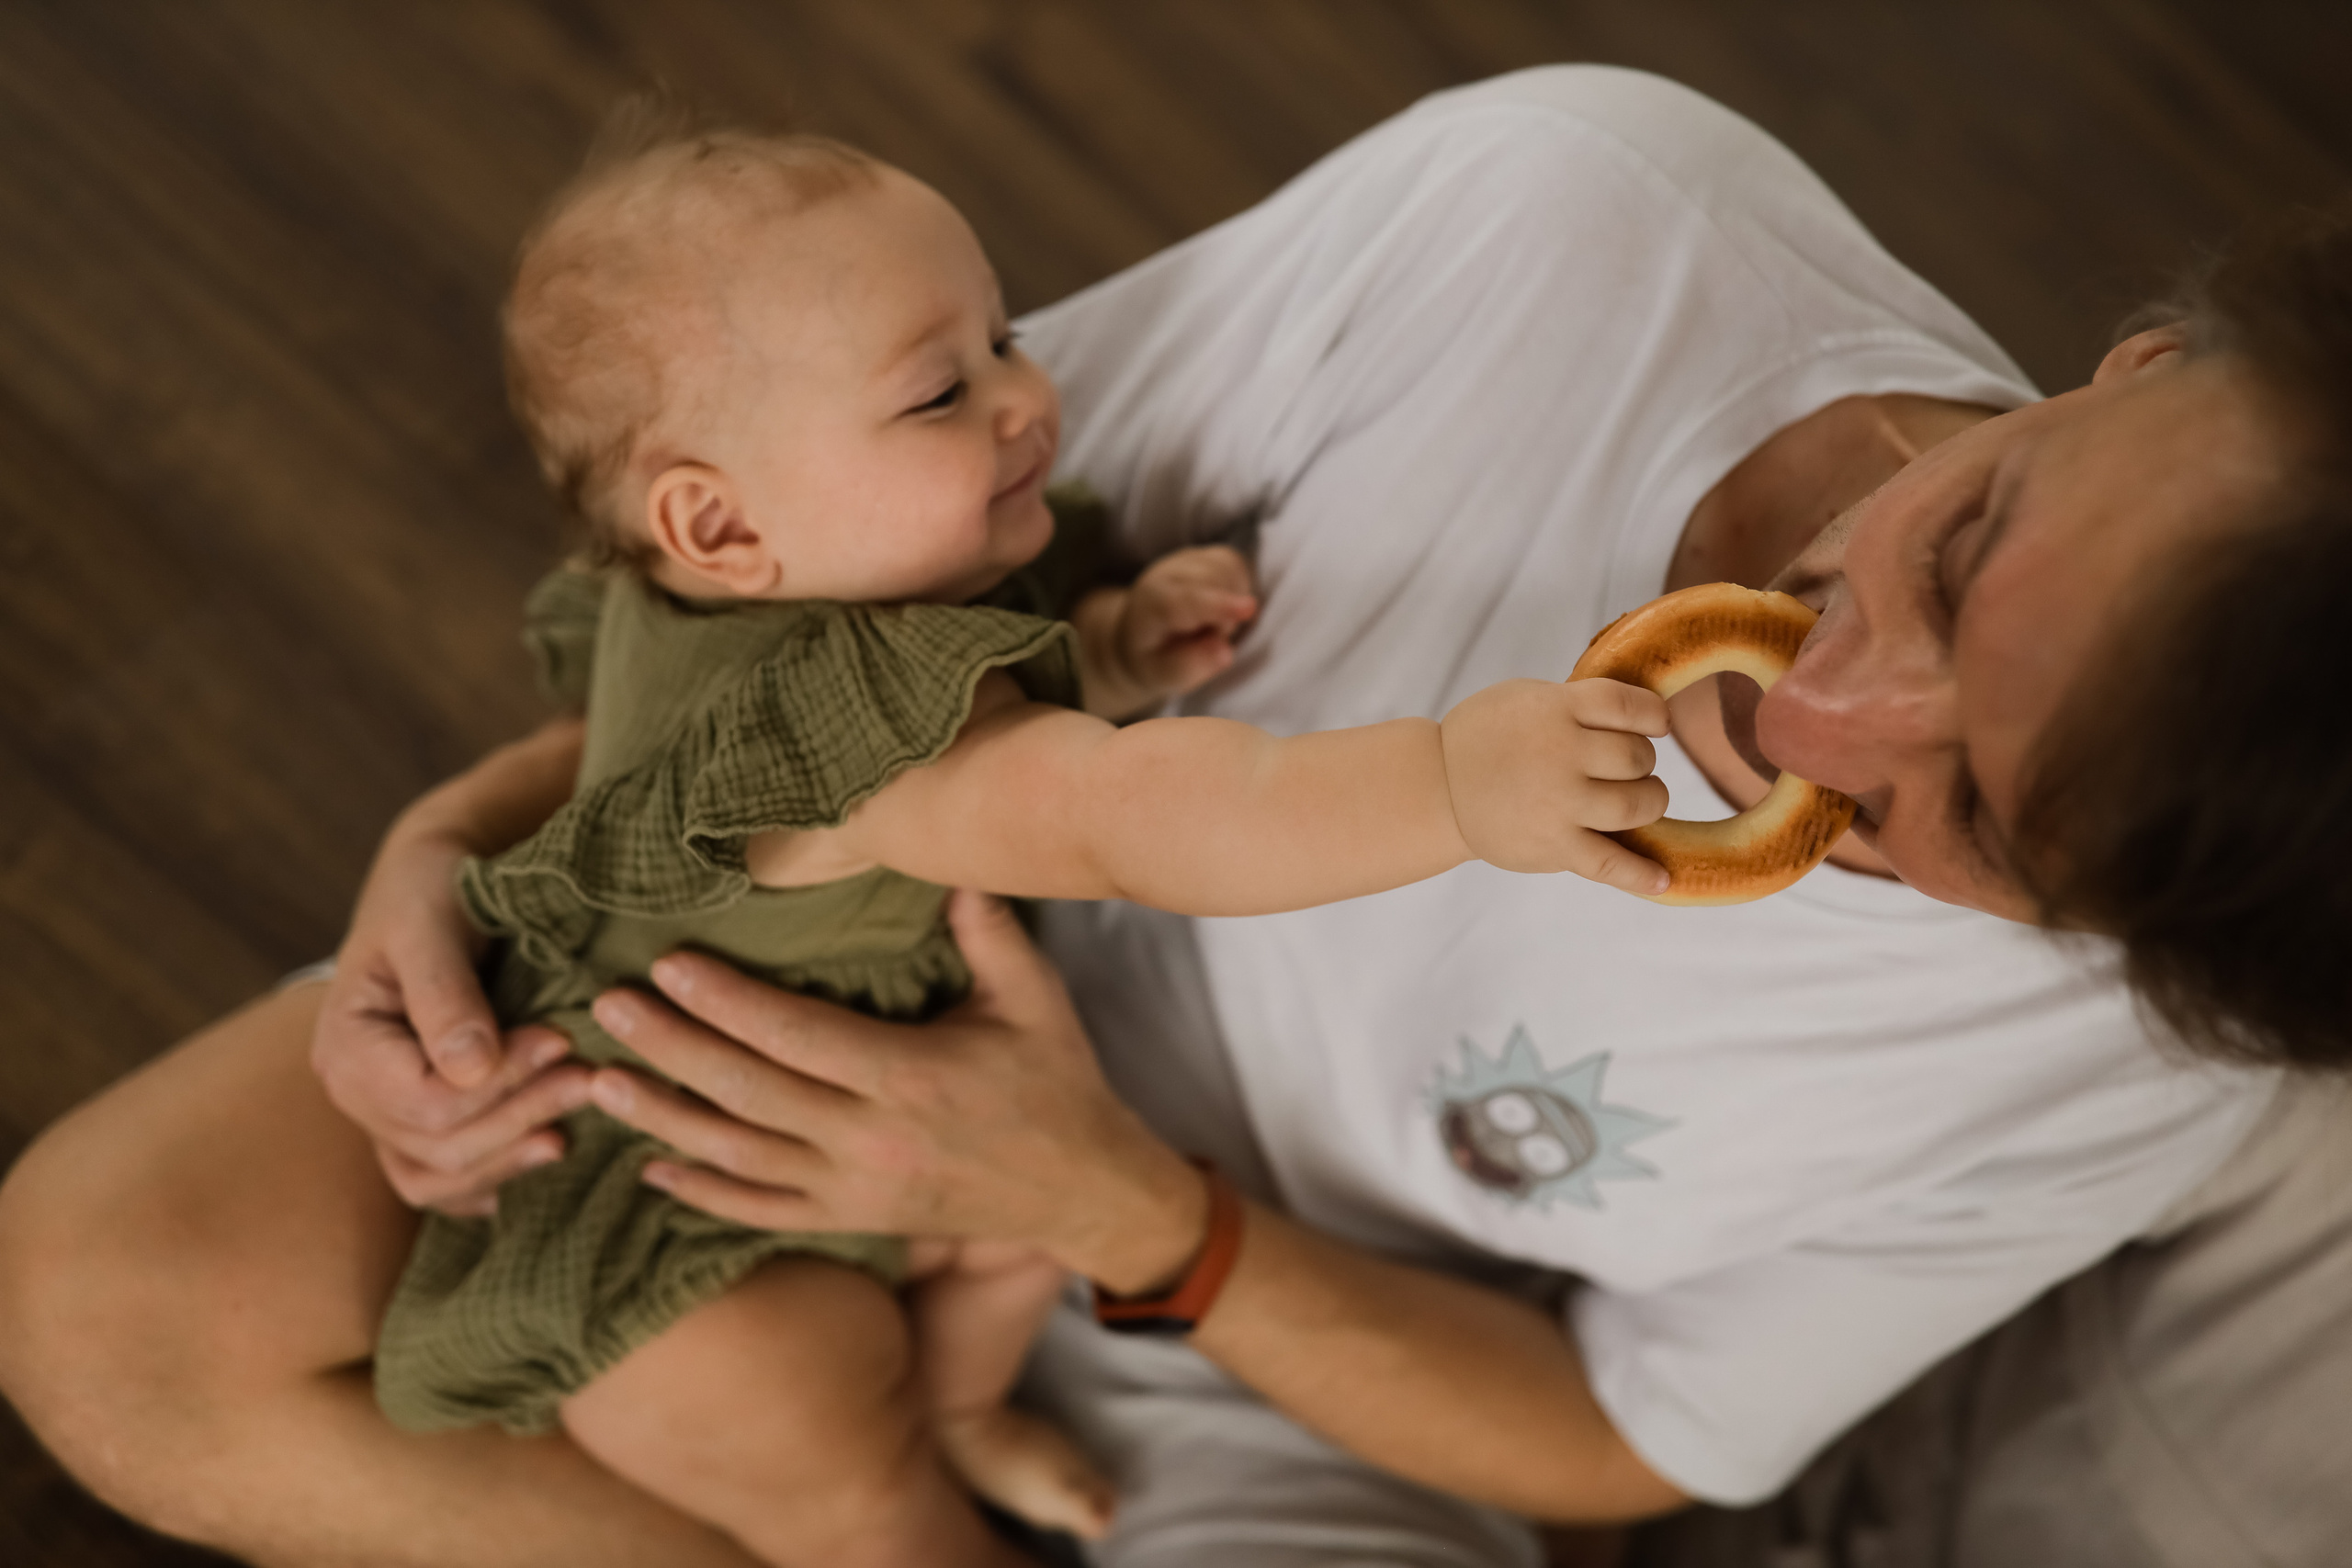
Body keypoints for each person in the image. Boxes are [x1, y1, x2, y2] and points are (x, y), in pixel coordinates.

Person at [0, 63, 2345, 1568]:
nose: (1820, 697)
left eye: (1963, 813)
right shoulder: (1565, 226)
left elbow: (1616, 1441)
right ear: (2130, 367)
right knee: (98, 1301)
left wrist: (1111, 1205)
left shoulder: (2143, 1053)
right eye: (1953, 549)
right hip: (766, 948)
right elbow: (812, 653)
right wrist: (444, 849)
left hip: (1270, 1345)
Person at [363, 108, 1683, 1566]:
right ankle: (898, 1515)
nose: (1023, 400)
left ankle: (966, 1406)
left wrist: (1108, 651)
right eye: (940, 391)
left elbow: (1007, 689)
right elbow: (1127, 815)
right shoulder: (833, 741)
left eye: (1003, 334)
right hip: (689, 1203)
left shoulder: (793, 578)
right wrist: (1453, 785)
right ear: (720, 528)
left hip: (895, 1118)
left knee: (1011, 1237)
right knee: (790, 1420)